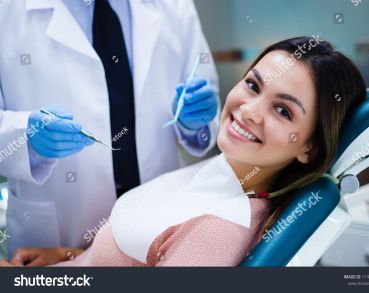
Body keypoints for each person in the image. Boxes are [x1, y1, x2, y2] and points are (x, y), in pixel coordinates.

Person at [0, 37, 366, 267]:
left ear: (309, 148)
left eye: (283, 111)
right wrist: (70, 257)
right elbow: (135, 252)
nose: (250, 110)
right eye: (253, 86)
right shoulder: (218, 175)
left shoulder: (219, 229)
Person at [0, 0, 219, 258]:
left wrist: (195, 123)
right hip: (57, 237)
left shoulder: (174, 6)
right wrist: (24, 136)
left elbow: (205, 96)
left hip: (161, 224)